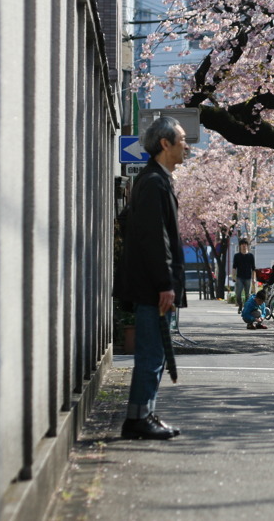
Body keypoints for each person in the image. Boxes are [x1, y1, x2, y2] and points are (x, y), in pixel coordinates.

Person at [120, 116, 187, 440]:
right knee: (150, 353)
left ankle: (144, 414)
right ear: (165, 143)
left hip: (155, 286)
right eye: (182, 140)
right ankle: (138, 419)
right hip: (153, 288)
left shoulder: (156, 180)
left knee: (156, 353)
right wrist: (164, 284)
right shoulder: (153, 182)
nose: (187, 146)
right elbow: (153, 237)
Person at [232, 238, 256, 314]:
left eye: (245, 244)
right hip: (239, 277)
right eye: (242, 244)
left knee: (247, 295)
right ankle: (240, 305)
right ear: (240, 246)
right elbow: (234, 267)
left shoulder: (251, 256)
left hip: (248, 277)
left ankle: (246, 309)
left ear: (247, 246)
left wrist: (253, 278)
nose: (244, 246)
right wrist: (233, 276)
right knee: (238, 294)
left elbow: (253, 268)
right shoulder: (237, 256)